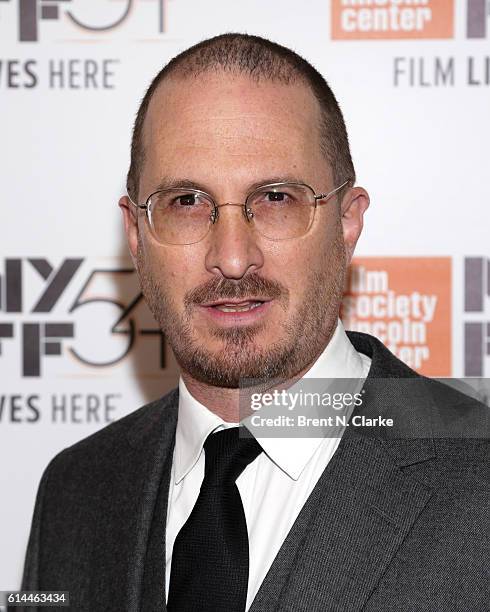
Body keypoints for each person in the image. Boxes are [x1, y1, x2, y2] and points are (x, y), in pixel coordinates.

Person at [18, 33, 489, 611]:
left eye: (276, 198)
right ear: (136, 234)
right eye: (187, 201)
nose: (234, 258)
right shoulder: (75, 489)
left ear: (347, 221)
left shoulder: (478, 471)